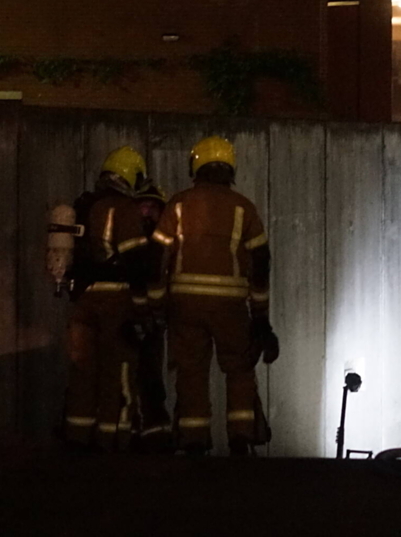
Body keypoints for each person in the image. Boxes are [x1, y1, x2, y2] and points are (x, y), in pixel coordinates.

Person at [148, 136, 279, 456]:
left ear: (196, 166)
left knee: (191, 370)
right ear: (230, 168)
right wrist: (261, 317)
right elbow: (261, 261)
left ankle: (194, 440)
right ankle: (241, 437)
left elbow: (156, 256)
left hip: (185, 305)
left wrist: (154, 304)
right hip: (231, 306)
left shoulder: (178, 205)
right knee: (239, 368)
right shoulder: (244, 207)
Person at [62, 146, 153, 451]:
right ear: (130, 175)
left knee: (84, 372)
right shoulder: (123, 208)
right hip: (116, 300)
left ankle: (77, 437)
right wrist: (142, 310)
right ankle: (114, 439)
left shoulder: (84, 206)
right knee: (120, 371)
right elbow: (137, 261)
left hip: (84, 299)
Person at [132, 180, 172, 452]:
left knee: (150, 379)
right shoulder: (130, 241)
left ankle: (154, 438)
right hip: (130, 321)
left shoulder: (166, 243)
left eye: (152, 208)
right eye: (141, 207)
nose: (146, 213)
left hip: (153, 323)